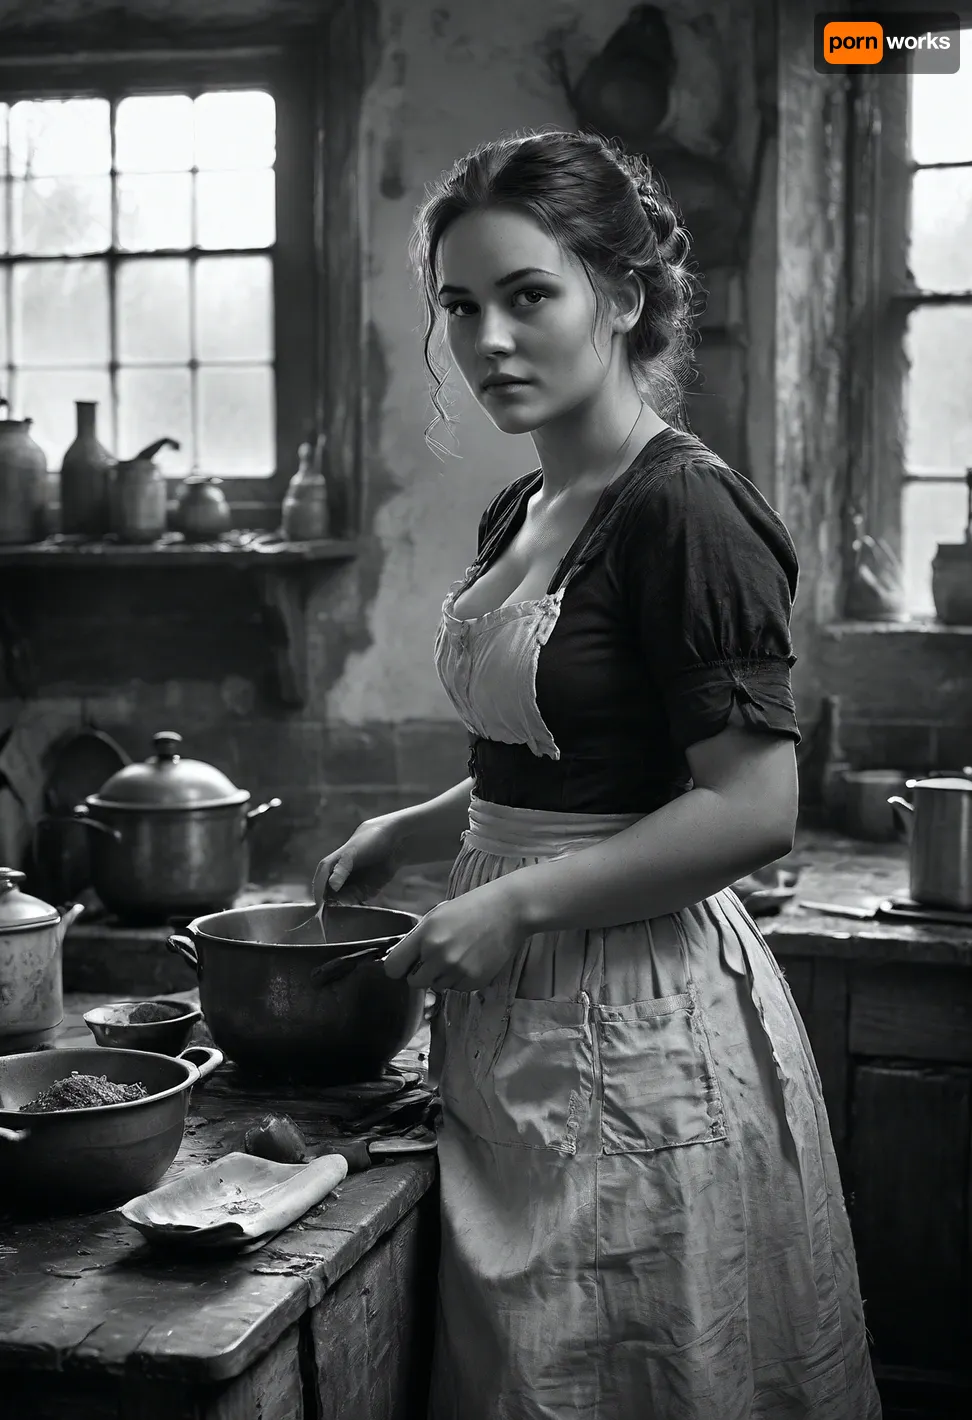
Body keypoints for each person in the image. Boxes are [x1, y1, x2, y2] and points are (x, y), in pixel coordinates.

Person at [314, 129, 882, 1420]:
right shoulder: (521, 512)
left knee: (636, 1371)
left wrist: (516, 903)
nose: (490, 340)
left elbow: (753, 809)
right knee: (531, 1374)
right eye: (461, 306)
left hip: (637, 1016)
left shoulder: (687, 510)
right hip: (515, 1019)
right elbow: (560, 763)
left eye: (530, 296)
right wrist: (416, 827)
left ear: (621, 297)